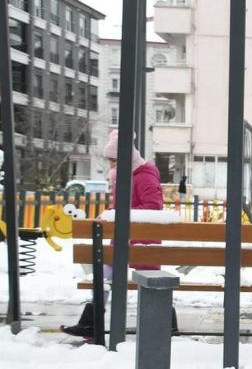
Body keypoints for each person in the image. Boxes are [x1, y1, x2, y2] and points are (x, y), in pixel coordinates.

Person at [62, 130, 171, 337]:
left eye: (115, 160)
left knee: (142, 282)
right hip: (127, 239)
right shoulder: (128, 175)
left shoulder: (144, 175)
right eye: (111, 161)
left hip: (142, 241)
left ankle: (92, 323)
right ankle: (90, 322)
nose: (112, 165)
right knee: (104, 277)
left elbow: (153, 207)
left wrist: (118, 213)